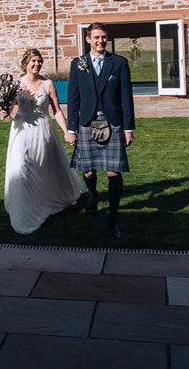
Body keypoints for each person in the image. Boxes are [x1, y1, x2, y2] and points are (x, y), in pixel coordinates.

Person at [1, 48, 83, 234]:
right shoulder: (16, 84)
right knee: (21, 167)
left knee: (43, 168)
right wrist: (4, 111)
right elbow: (10, 106)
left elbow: (57, 111)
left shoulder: (48, 84)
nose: (37, 64)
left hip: (43, 132)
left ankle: (45, 201)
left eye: (39, 61)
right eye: (33, 61)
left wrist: (67, 132)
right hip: (21, 132)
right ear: (26, 63)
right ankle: (24, 212)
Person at [65, 22, 135, 239]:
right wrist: (71, 129)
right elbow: (73, 98)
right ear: (88, 39)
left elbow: (126, 98)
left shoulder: (119, 63)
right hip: (86, 123)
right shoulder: (78, 64)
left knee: (114, 171)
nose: (100, 41)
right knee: (88, 170)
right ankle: (94, 195)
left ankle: (113, 219)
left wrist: (128, 128)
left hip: (113, 123)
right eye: (96, 37)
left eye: (103, 37)